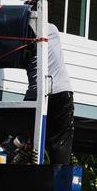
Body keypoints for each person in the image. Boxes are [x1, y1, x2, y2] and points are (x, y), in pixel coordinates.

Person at [24, 16, 74, 165]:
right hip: (59, 91)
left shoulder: (22, 37)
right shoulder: (52, 29)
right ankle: (57, 179)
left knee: (28, 141)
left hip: (38, 93)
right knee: (60, 143)